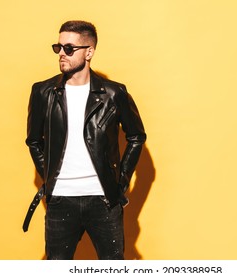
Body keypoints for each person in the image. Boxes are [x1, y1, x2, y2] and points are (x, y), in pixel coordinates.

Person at [24, 20, 146, 260]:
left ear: (89, 52)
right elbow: (34, 141)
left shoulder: (114, 93)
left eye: (69, 48)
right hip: (61, 199)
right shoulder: (42, 92)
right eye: (58, 47)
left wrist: (119, 183)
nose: (61, 54)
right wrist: (50, 179)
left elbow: (136, 136)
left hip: (103, 199)